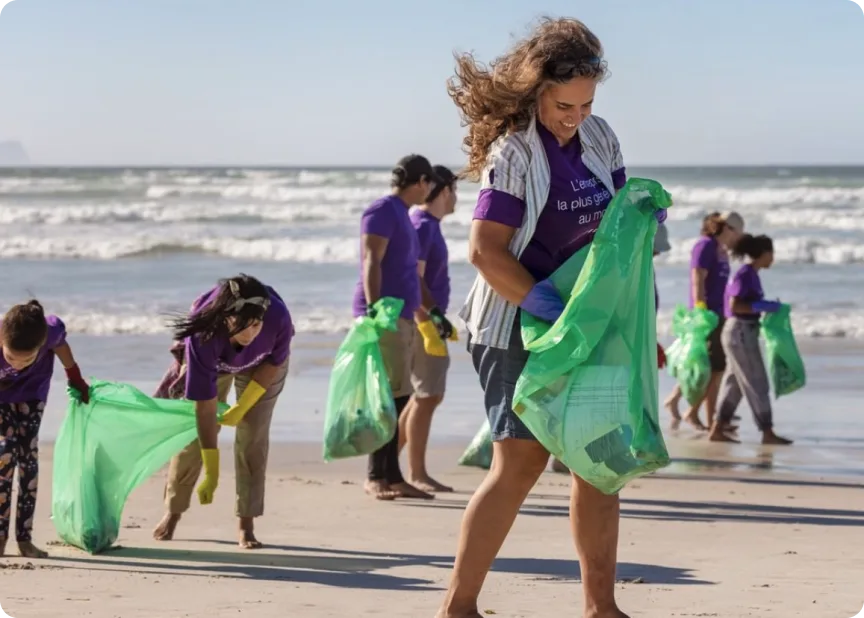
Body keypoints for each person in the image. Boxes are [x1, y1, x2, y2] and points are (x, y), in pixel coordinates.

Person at [438, 17, 664, 618]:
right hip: (513, 322)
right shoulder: (513, 152)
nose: (575, 116)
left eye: (586, 104)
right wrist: (543, 302)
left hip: (587, 324)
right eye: (565, 104)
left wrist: (640, 226)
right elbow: (485, 251)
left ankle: (601, 608)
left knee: (601, 462)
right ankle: (458, 607)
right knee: (521, 462)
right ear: (537, 90)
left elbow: (617, 235)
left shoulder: (601, 138)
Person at [152, 274, 293, 549]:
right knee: (194, 437)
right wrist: (212, 470)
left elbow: (273, 363)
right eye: (246, 325)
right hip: (218, 362)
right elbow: (204, 409)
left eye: (257, 324)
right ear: (227, 317)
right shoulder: (203, 337)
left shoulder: (278, 318)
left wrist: (244, 405)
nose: (253, 333)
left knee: (253, 436)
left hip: (264, 367)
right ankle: (173, 511)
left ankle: (246, 523)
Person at [353, 154, 448, 501]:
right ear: (422, 182)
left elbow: (411, 274)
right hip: (386, 316)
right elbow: (371, 261)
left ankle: (393, 477)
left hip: (404, 316)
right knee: (388, 398)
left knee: (401, 395)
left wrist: (435, 313)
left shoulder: (404, 217)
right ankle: (377, 476)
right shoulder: (381, 210)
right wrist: (377, 312)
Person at [0, 300, 90, 558]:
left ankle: (24, 538)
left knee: (28, 458)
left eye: (27, 359)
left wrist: (76, 378)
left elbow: (62, 348)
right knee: (4, 455)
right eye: (10, 358)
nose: (17, 365)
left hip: (32, 393)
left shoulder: (49, 331)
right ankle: (0, 536)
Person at [398, 164, 459, 493]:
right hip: (423, 321)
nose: (456, 200)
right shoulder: (423, 225)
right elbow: (414, 277)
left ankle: (390, 466)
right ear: (445, 190)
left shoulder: (427, 225)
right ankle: (415, 472)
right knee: (426, 395)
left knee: (424, 397)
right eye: (454, 192)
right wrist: (429, 323)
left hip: (426, 320)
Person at [709, 234, 793, 445]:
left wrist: (763, 305)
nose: (773, 258)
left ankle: (718, 428)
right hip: (741, 332)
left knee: (735, 383)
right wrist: (761, 307)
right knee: (757, 381)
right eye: (771, 253)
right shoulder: (746, 274)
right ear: (764, 253)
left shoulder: (751, 274)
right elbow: (735, 305)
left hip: (741, 332)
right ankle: (767, 431)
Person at [664, 211, 744, 431]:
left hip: (719, 313)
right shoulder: (706, 245)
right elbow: (697, 277)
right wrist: (700, 309)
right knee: (711, 368)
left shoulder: (722, 250)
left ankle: (678, 403)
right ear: (727, 228)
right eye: (737, 233)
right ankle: (698, 414)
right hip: (706, 316)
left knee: (705, 366)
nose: (738, 238)